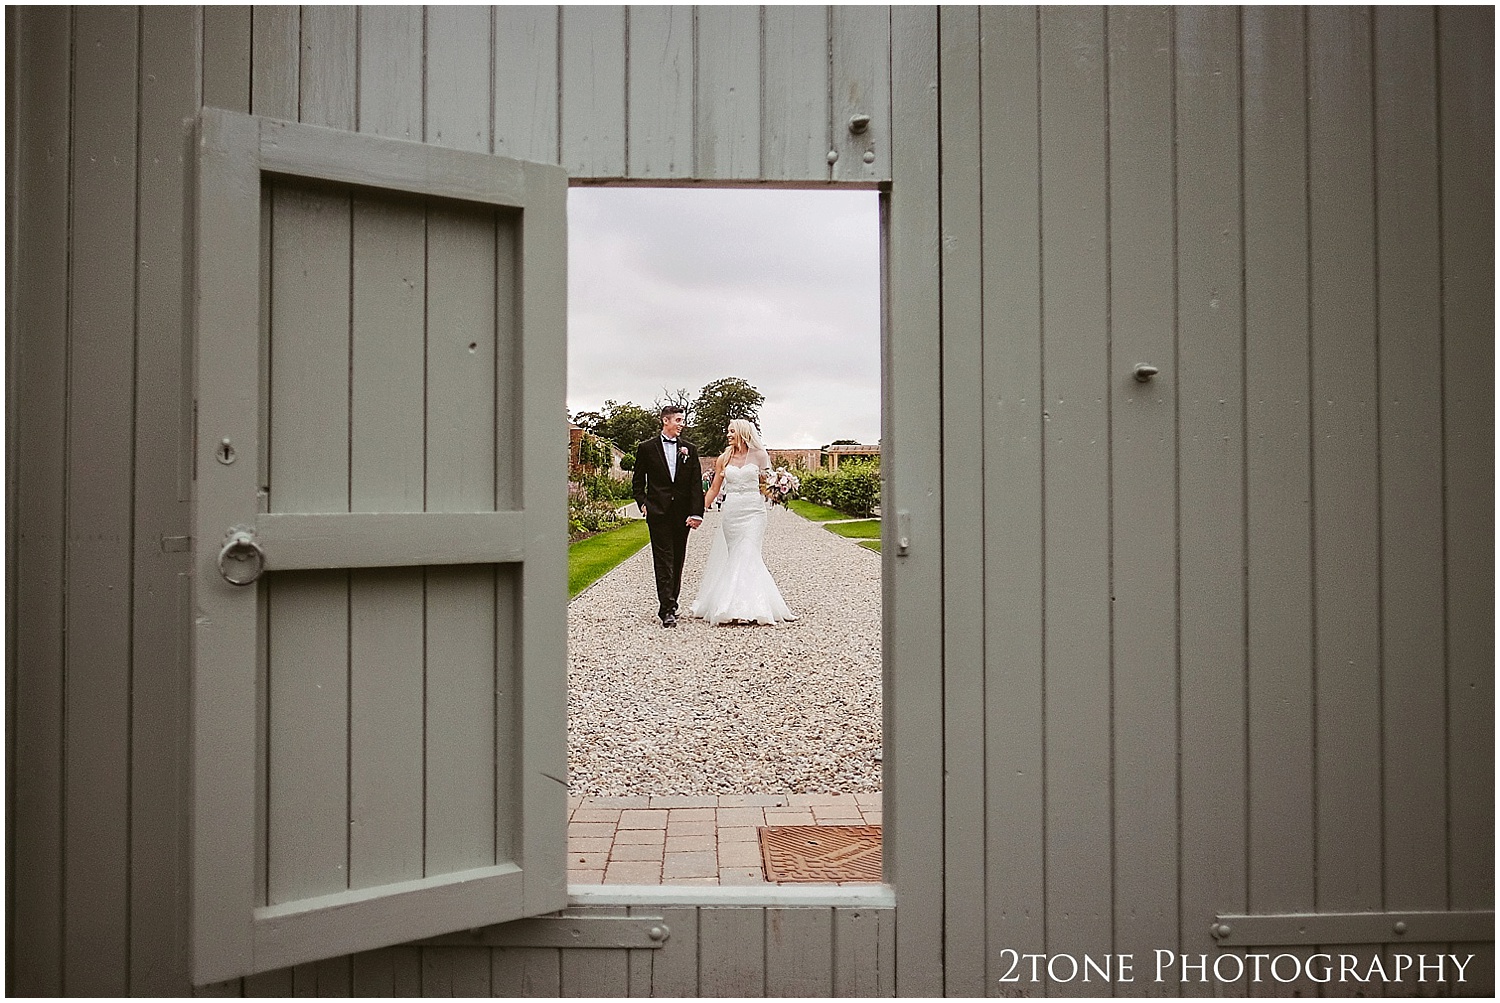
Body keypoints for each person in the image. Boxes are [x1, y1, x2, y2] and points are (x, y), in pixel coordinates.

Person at [689, 419, 798, 625]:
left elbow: (767, 484)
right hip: (732, 512)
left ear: (742, 432)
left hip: (754, 512)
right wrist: (699, 511)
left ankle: (752, 606)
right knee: (736, 555)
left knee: (748, 553)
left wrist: (782, 487)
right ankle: (733, 605)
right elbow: (714, 488)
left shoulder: (760, 455)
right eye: (728, 431)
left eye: (732, 431)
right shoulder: (724, 458)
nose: (728, 435)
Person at [632, 405, 705, 627]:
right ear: (666, 421)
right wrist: (643, 504)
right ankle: (666, 608)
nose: (682, 424)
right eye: (679, 420)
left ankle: (672, 602)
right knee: (663, 560)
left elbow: (695, 484)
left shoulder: (689, 449)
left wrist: (696, 513)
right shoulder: (646, 448)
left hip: (682, 514)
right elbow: (637, 482)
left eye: (682, 420)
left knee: (678, 558)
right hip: (658, 512)